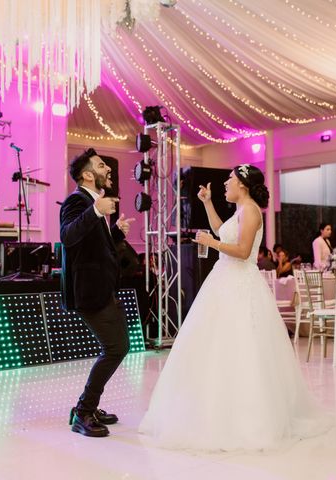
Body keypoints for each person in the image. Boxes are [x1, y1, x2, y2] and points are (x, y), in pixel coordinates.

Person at [139, 164, 326, 450]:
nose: (225, 183)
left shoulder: (251, 210)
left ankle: (246, 416)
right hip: (225, 280)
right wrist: (207, 203)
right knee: (216, 343)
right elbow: (221, 231)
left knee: (241, 344)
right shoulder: (240, 211)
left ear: (242, 184)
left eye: (229, 179)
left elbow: (241, 251)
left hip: (239, 282)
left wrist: (211, 243)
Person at [60, 148, 134, 438]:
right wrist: (94, 211)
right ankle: (83, 410)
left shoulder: (94, 202)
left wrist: (115, 232)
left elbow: (92, 248)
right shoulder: (77, 201)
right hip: (89, 292)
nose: (109, 170)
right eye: (102, 165)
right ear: (87, 174)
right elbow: (68, 237)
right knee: (116, 348)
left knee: (116, 347)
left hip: (101, 288)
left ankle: (87, 406)